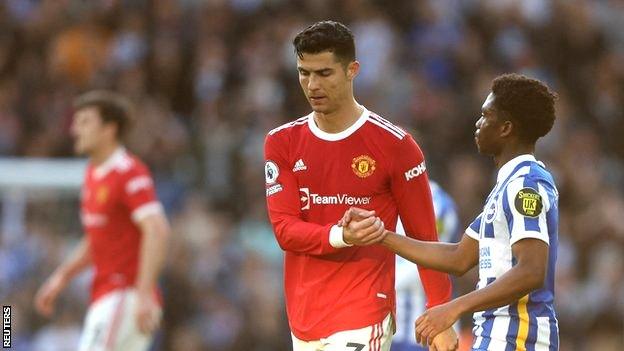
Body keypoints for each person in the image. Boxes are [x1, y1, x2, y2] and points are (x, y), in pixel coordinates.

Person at [264, 20, 457, 351]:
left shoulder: (396, 146)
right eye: (304, 73)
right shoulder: (282, 143)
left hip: (365, 310)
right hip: (305, 315)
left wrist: (441, 314)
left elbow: (424, 237)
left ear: (352, 70)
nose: (312, 85)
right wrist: (342, 236)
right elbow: (284, 229)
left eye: (324, 73)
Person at [344, 73, 559, 350]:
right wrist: (381, 235)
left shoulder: (526, 185)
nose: (478, 123)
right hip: (494, 335)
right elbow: (458, 257)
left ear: (506, 128)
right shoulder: (505, 187)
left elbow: (532, 270)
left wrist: (453, 308)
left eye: (485, 115)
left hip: (518, 337)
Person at [34, 90, 170, 351]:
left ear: (109, 129)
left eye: (85, 122)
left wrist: (143, 292)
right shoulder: (93, 174)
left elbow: (157, 228)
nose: (75, 129)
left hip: (124, 294)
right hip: (108, 295)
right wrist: (61, 277)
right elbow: (96, 239)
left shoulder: (128, 171)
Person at [392, 181, 460, 351]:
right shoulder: (379, 194)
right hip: (385, 325)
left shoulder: (438, 203)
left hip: (421, 330)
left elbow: (435, 260)